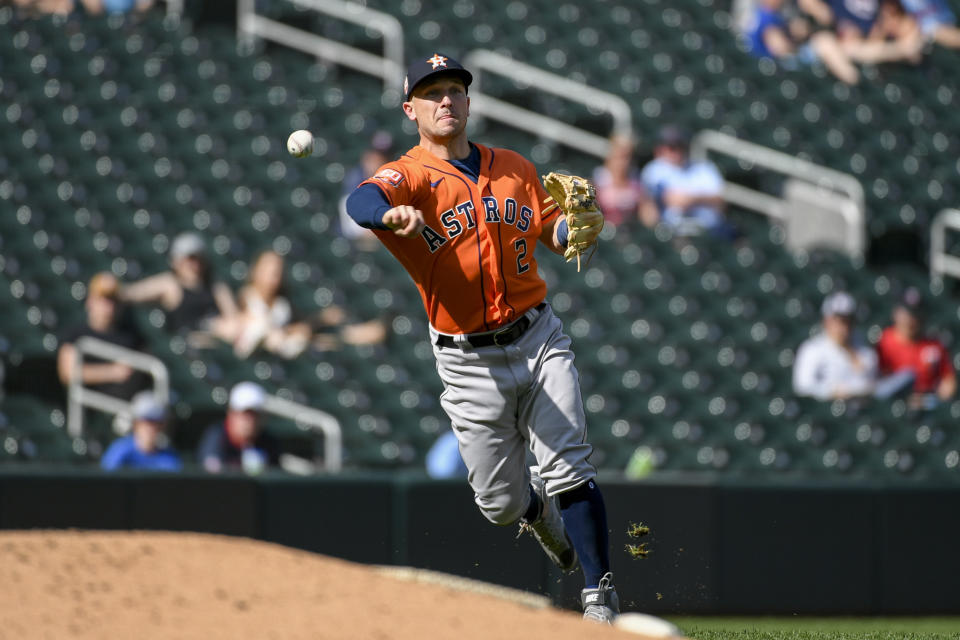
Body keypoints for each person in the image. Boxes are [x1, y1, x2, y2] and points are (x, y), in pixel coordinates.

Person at [344, 52, 618, 623]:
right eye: (432, 92)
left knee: (570, 462)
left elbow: (552, 227)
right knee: (498, 505)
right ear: (410, 109)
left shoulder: (514, 166)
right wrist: (387, 218)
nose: (446, 100)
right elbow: (362, 199)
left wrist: (577, 230)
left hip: (538, 336)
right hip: (468, 362)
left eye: (455, 90)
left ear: (469, 102)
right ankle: (535, 511)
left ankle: (599, 597)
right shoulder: (411, 177)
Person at [120, 232, 239, 343]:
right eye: (190, 259)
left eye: (199, 259)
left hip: (215, 347)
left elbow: (234, 321)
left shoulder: (216, 287)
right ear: (177, 261)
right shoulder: (170, 284)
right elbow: (132, 294)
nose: (195, 265)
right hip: (186, 348)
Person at [58, 272, 149, 401]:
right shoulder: (76, 334)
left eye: (113, 300)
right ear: (90, 301)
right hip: (89, 405)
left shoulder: (131, 336)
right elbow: (68, 373)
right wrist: (112, 372)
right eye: (103, 299)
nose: (109, 306)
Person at [640, 125, 733, 238]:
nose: (676, 151)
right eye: (671, 147)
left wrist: (693, 199)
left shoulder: (704, 168)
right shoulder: (654, 170)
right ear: (660, 149)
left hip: (708, 230)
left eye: (679, 146)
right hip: (672, 232)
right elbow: (650, 201)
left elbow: (721, 200)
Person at [740, 0, 860, 84]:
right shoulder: (764, 17)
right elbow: (782, 48)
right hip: (789, 62)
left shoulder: (779, 14)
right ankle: (858, 81)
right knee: (827, 44)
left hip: (826, 33)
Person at [877, 288, 956, 408]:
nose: (910, 320)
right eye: (907, 314)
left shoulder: (934, 346)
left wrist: (936, 398)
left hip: (927, 402)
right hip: (895, 402)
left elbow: (948, 381)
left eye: (915, 315)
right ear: (896, 313)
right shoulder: (884, 341)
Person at [793, 291, 878, 400]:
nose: (844, 327)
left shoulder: (864, 349)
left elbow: (872, 384)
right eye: (838, 321)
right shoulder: (811, 349)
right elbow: (802, 387)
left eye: (848, 321)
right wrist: (831, 391)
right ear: (826, 321)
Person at [232, 250, 313, 359]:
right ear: (256, 270)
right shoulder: (244, 297)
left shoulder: (283, 305)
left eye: (276, 272)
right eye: (267, 270)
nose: (271, 277)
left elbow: (299, 328)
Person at [197, 381, 279, 474]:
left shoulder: (268, 442)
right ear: (231, 413)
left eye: (255, 415)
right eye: (245, 414)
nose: (250, 421)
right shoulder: (216, 437)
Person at [339, 131, 396, 249]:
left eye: (384, 158)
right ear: (366, 157)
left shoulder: (394, 180)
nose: (379, 162)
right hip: (354, 247)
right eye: (376, 157)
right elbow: (353, 229)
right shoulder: (354, 180)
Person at [100, 391, 181, 471]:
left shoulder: (169, 457)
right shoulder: (120, 450)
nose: (151, 428)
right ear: (136, 423)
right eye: (146, 421)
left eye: (157, 423)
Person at [592, 135, 656, 229]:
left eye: (627, 157)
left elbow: (650, 217)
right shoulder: (597, 182)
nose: (623, 162)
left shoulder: (636, 184)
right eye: (619, 157)